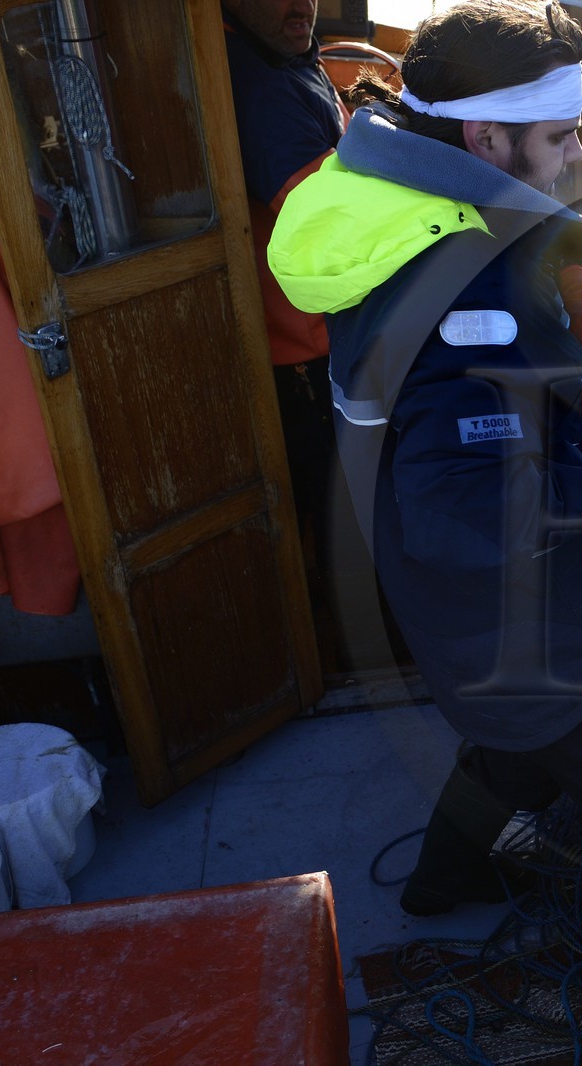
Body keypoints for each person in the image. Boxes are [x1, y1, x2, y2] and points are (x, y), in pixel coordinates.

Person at [267, 3, 582, 1061]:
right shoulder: (467, 282)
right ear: (487, 141)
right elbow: (466, 500)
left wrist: (556, 294)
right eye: (563, 133)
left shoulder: (396, 201)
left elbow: (457, 424)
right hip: (523, 625)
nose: (581, 149)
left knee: (512, 744)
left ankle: (446, 880)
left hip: (448, 619)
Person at [221, 0, 349, 652]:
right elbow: (323, 222)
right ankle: (348, 644)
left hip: (322, 329)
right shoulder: (257, 85)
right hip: (303, 348)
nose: (298, 3)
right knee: (336, 507)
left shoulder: (290, 52)